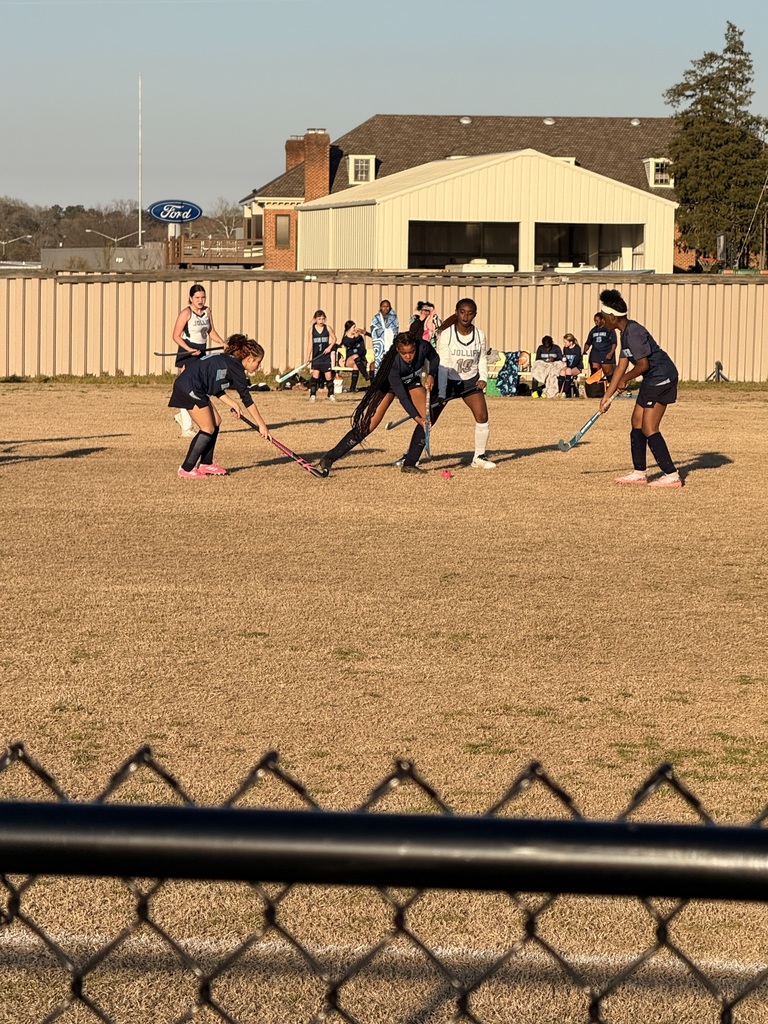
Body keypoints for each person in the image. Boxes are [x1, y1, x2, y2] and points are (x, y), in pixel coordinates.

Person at [314, 332, 438, 477]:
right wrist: (417, 419)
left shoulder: (423, 346)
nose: (408, 356)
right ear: (397, 350)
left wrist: (431, 374)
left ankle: (410, 463)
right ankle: (328, 458)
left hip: (411, 381)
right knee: (366, 426)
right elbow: (403, 398)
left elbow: (435, 358)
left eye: (411, 352)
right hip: (388, 387)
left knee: (428, 417)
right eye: (404, 353)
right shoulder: (393, 364)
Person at [598, 288, 682, 488]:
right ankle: (639, 472)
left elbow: (643, 365)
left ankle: (671, 475)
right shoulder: (624, 333)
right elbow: (621, 367)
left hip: (662, 377)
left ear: (611, 317)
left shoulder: (634, 332)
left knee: (649, 427)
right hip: (651, 379)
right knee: (636, 421)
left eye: (603, 317)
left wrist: (625, 379)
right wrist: (606, 396)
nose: (601, 320)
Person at [168, 334, 268, 479]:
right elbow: (247, 399)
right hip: (188, 387)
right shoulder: (237, 369)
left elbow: (215, 387)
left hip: (196, 387)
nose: (259, 366)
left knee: (216, 422)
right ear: (249, 359)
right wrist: (262, 425)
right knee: (207, 428)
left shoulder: (230, 362)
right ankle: (186, 468)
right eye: (258, 362)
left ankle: (206, 463)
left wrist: (232, 403)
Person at [432, 297, 495, 469]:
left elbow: (482, 358)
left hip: (470, 383)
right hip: (449, 382)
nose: (466, 316)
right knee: (428, 418)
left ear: (475, 314)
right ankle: (411, 455)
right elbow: (443, 365)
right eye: (462, 312)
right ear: (456, 313)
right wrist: (442, 393)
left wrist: (483, 378)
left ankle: (479, 457)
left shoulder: (480, 335)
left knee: (482, 416)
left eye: (470, 313)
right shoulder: (447, 334)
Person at [171, 285, 225, 437]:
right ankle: (186, 427)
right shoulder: (186, 313)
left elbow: (210, 331)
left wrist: (222, 342)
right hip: (188, 352)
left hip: (201, 351)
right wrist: (188, 349)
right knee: (187, 388)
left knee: (198, 386)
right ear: (191, 298)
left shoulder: (207, 311)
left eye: (203, 297)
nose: (201, 301)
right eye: (197, 298)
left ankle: (183, 418)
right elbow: (176, 336)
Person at [306, 310, 338, 402]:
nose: (321, 321)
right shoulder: (312, 330)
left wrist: (329, 347)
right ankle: (312, 395)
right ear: (315, 319)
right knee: (315, 375)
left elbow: (334, 338)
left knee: (328, 376)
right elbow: (310, 344)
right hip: (317, 356)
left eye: (323, 319)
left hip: (325, 357)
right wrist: (307, 358)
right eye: (319, 319)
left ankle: (331, 394)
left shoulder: (327, 328)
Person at [583, 312, 617, 382]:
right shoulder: (593, 331)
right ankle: (596, 389)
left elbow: (614, 343)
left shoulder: (609, 329)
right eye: (594, 321)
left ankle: (610, 385)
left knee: (608, 372)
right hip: (595, 353)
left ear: (602, 320)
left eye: (597, 320)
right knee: (595, 372)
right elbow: (588, 342)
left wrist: (611, 353)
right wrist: (585, 351)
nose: (596, 322)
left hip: (606, 353)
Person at [339, 320, 371, 392]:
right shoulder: (345, 339)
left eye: (355, 327)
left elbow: (363, 350)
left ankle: (352, 388)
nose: (355, 329)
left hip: (360, 360)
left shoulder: (360, 338)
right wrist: (355, 338)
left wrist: (357, 338)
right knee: (355, 356)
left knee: (356, 364)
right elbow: (350, 345)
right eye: (353, 327)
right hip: (349, 360)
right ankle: (365, 374)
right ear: (348, 329)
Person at [369, 299, 399, 375]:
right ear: (381, 307)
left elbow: (395, 329)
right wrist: (383, 331)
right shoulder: (376, 318)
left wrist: (387, 331)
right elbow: (373, 328)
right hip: (380, 345)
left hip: (390, 344)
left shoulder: (394, 318)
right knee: (379, 364)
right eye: (384, 306)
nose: (385, 308)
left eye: (387, 306)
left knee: (390, 363)